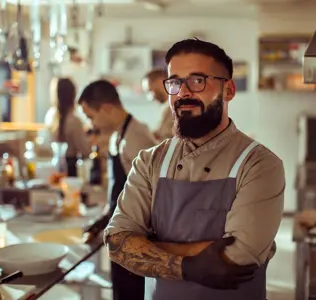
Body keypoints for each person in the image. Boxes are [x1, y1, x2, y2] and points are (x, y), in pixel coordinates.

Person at [103, 38, 285, 300]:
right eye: (175, 82)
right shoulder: (149, 162)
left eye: (197, 80)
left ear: (229, 90)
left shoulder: (259, 164)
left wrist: (149, 245)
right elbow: (118, 244)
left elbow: (239, 256)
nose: (183, 92)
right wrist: (187, 266)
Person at [79, 80, 157, 300]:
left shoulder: (136, 136)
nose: (90, 123)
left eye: (90, 116)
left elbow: (150, 193)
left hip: (136, 234)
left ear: (106, 108)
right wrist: (104, 219)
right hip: (122, 229)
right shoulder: (117, 136)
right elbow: (119, 191)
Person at [45, 77, 91, 176]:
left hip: (53, 168)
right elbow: (85, 151)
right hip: (70, 170)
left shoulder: (50, 117)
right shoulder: (75, 121)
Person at [142, 69, 173, 141]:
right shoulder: (166, 108)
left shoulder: (175, 108)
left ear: (160, 82)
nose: (150, 98)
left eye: (149, 91)